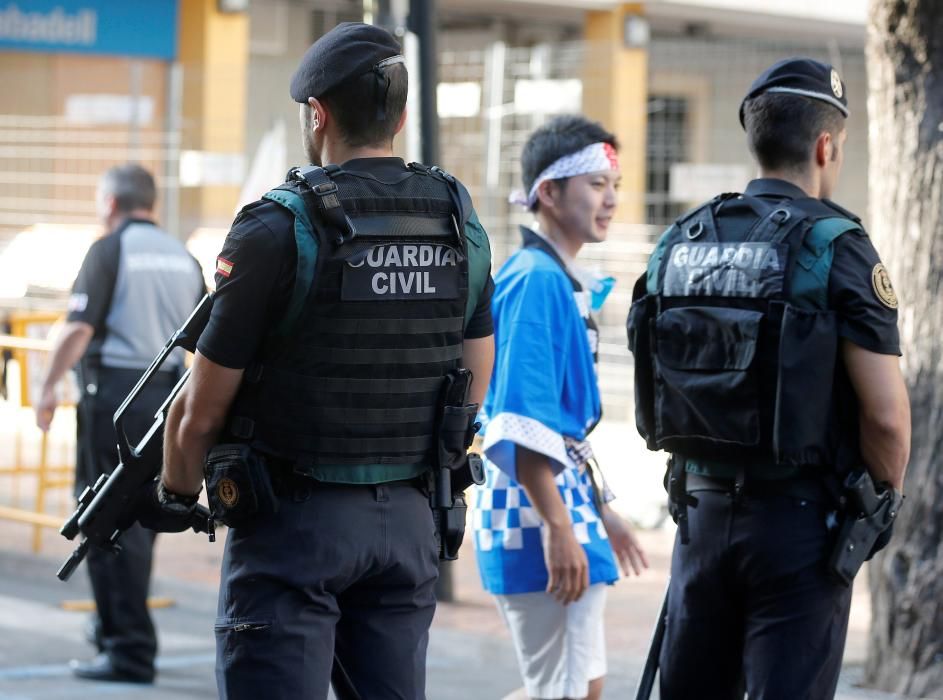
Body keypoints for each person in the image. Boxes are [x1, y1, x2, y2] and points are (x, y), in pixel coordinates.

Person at [140, 22, 495, 699]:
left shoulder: (276, 226)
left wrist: (176, 492)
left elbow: (202, 407)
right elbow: (475, 369)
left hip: (294, 525)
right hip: (412, 521)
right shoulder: (455, 216)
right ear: (398, 116)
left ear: (317, 114)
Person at [628, 57, 911, 699]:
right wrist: (881, 507)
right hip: (800, 527)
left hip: (698, 515)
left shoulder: (682, 239)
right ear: (826, 145)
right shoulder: (839, 245)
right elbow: (887, 416)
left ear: (755, 140)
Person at [473, 115, 648, 700]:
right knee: (563, 692)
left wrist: (600, 511)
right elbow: (519, 420)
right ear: (548, 193)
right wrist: (559, 525)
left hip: (557, 502)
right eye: (596, 185)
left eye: (613, 186)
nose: (611, 200)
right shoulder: (536, 280)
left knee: (581, 688)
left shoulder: (553, 276)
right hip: (536, 507)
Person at [35, 163, 205, 683]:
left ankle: (127, 647)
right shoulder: (183, 256)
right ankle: (114, 631)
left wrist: (46, 386)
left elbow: (78, 328)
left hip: (116, 400)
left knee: (104, 517)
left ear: (110, 203)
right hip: (168, 397)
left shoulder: (109, 250)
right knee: (139, 521)